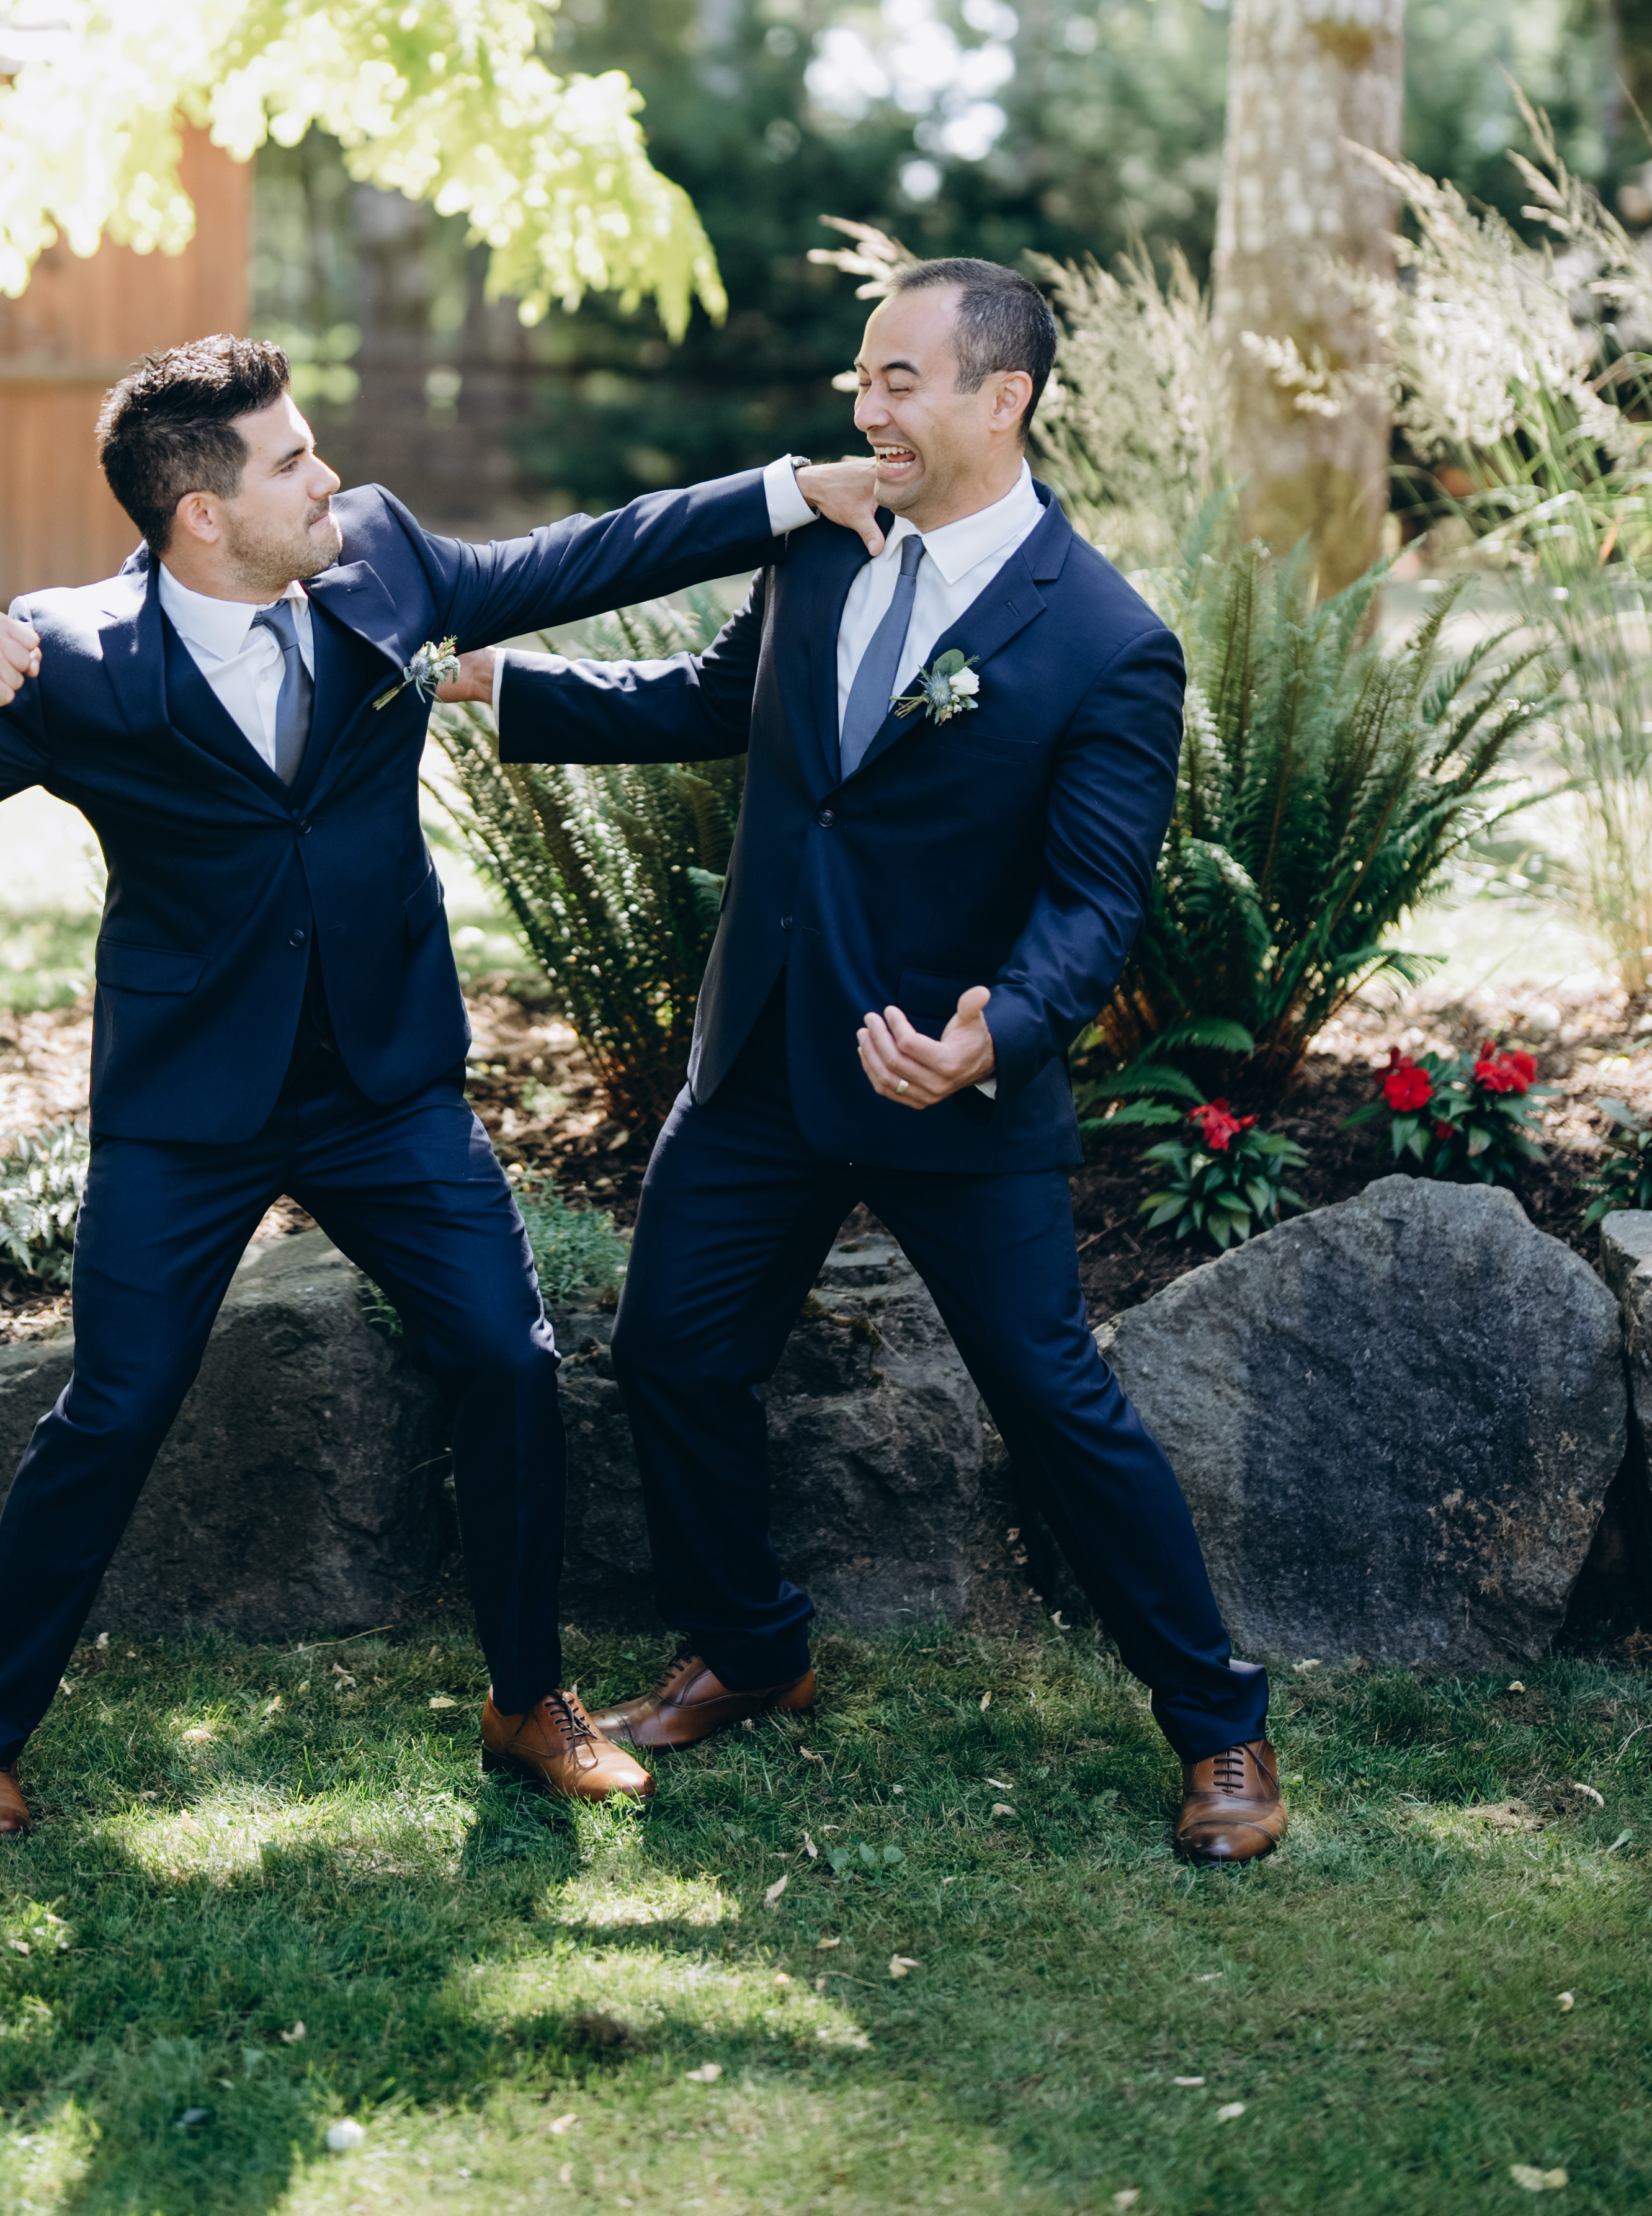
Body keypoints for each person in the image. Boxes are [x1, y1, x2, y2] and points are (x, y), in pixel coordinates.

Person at [0, 333, 883, 1836]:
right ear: (201, 512)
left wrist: (787, 492)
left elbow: (580, 557)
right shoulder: (76, 658)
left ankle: (526, 1699)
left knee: (506, 1359)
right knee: (114, 1407)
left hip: (386, 1085)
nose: (328, 476)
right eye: (291, 461)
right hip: (189, 1106)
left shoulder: (380, 563)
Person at [435, 259, 1285, 1867]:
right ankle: (752, 1649)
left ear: (1000, 397)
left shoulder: (1107, 640)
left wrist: (994, 1034)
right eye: (860, 375)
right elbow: (712, 701)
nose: (864, 405)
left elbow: (1092, 904)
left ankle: (1216, 1723)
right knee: (673, 1355)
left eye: (898, 377)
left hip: (945, 1083)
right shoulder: (819, 543)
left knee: (1053, 1403)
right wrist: (507, 682)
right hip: (761, 1055)